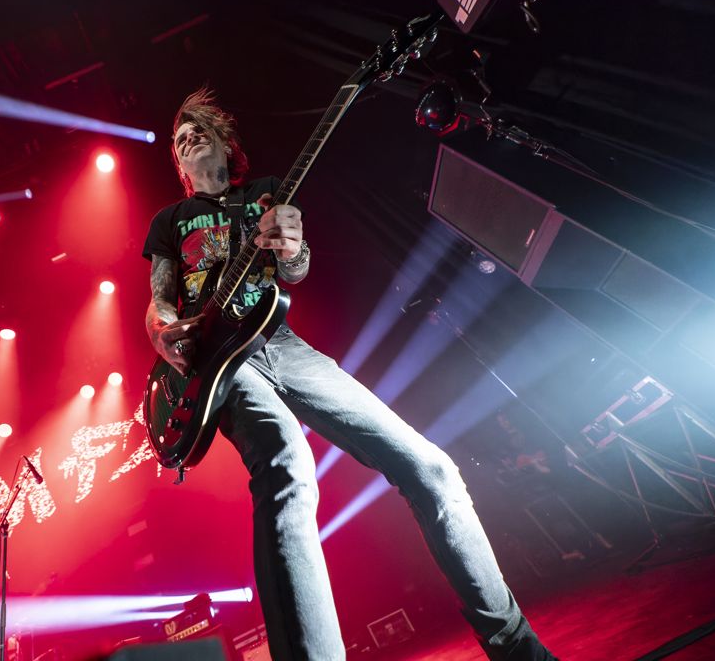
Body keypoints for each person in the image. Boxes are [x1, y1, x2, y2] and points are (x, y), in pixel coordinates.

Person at [142, 88, 557, 661]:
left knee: (430, 467)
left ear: (224, 144)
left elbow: (298, 267)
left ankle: (517, 648)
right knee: (289, 469)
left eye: (198, 131)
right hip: (221, 363)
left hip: (282, 342)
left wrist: (290, 246)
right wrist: (163, 332)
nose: (185, 138)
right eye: (178, 139)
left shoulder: (264, 194)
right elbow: (160, 300)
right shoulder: (171, 220)